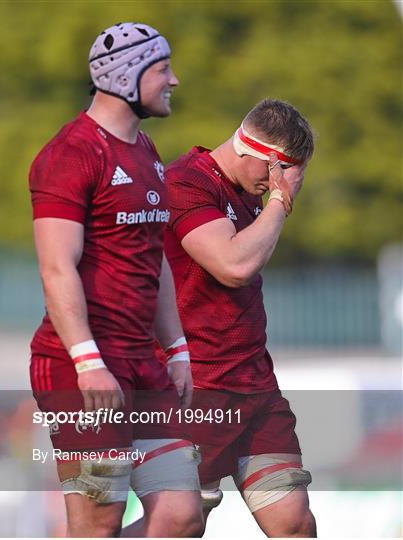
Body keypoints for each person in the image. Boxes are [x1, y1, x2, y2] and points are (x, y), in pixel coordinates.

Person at [29, 22, 203, 538]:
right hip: (79, 367)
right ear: (128, 76)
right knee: (97, 525)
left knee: (181, 517)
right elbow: (56, 267)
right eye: (163, 69)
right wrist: (88, 363)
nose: (174, 80)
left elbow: (157, 259)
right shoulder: (70, 153)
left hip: (142, 365)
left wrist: (176, 349)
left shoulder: (147, 151)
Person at [163, 98, 317, 537]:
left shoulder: (250, 192)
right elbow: (234, 266)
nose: (279, 187)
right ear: (268, 160)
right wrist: (280, 202)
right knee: (182, 525)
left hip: (255, 387)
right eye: (281, 174)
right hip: (199, 387)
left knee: (295, 523)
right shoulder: (184, 183)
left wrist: (272, 201)